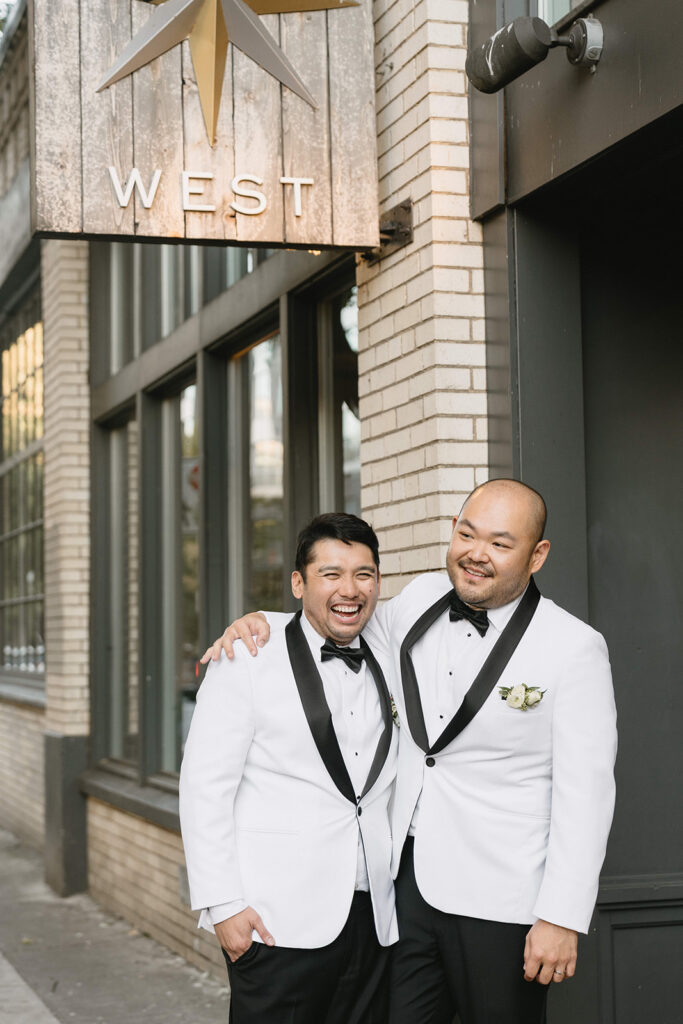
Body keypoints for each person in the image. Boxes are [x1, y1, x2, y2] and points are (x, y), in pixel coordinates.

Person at [207, 479, 617, 1024]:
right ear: (452, 532)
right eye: (467, 534)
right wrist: (261, 623)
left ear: (536, 555)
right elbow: (339, 617)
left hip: (504, 902)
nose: (477, 553)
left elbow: (586, 797)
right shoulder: (420, 599)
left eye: (500, 543)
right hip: (404, 894)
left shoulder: (574, 648)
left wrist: (561, 917)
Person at [180, 513, 399, 1024]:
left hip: (374, 919)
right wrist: (224, 908)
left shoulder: (390, 650)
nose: (350, 589)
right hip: (276, 923)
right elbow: (203, 788)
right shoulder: (246, 656)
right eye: (331, 574)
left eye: (364, 574)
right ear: (298, 583)